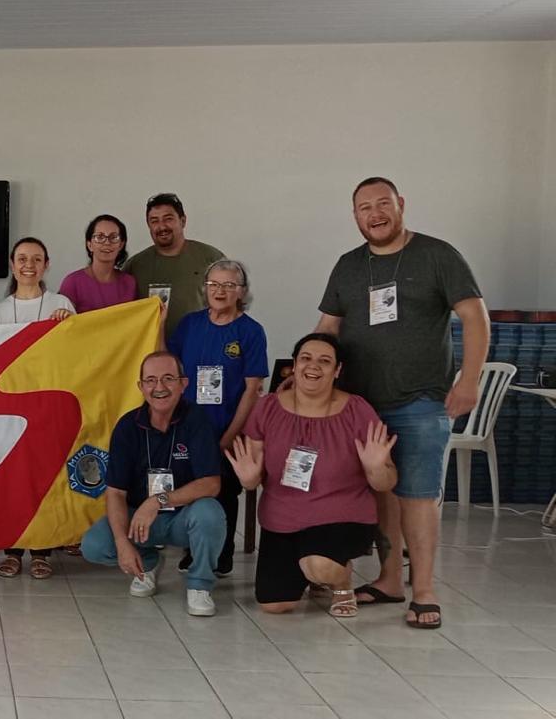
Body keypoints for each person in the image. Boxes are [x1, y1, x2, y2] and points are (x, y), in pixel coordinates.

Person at [313, 177, 489, 630]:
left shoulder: (437, 255)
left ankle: (424, 590)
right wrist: (310, 379)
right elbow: (327, 327)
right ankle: (390, 580)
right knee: (381, 495)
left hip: (421, 401)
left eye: (382, 204)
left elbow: (475, 316)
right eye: (364, 207)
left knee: (418, 496)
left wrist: (469, 380)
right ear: (354, 216)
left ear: (400, 205)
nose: (374, 214)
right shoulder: (348, 266)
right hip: (360, 404)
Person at [228, 333, 397, 617]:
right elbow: (252, 476)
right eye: (305, 359)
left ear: (337, 370)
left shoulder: (357, 410)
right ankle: (313, 571)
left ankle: (340, 580)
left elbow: (387, 482)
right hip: (283, 519)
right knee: (274, 605)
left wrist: (377, 468)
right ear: (294, 365)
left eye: (324, 361)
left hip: (342, 516)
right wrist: (247, 480)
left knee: (319, 565)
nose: (313, 366)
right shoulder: (268, 407)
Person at [80, 351, 225, 616]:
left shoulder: (197, 420)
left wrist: (158, 501)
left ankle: (200, 585)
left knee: (210, 513)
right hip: (140, 522)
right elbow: (115, 492)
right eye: (151, 380)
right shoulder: (127, 426)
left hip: (183, 516)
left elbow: (211, 484)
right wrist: (123, 542)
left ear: (183, 384)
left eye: (168, 379)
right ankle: (146, 564)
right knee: (95, 545)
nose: (159, 388)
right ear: (141, 387)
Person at [0, 237, 74, 579]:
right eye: (22, 258)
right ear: (12, 263)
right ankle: (12, 550)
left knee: (43, 479)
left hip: (48, 404)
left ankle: (42, 551)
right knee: (13, 480)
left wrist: (67, 324)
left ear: (47, 264)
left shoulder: (61, 303)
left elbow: (74, 353)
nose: (28, 265)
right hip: (12, 406)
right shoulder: (1, 310)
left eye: (36, 259)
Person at [167, 259, 268, 575]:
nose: (220, 291)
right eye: (214, 284)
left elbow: (253, 389)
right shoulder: (190, 324)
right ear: (205, 288)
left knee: (224, 490)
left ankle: (221, 553)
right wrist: (155, 325)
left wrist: (228, 436)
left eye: (228, 285)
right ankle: (193, 549)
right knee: (189, 486)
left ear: (241, 292)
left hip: (228, 427)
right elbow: (169, 365)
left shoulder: (250, 332)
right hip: (187, 427)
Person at [125, 193, 225, 337]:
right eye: (154, 221)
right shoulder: (135, 266)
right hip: (153, 352)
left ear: (183, 221)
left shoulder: (211, 259)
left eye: (168, 219)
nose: (161, 227)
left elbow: (231, 306)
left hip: (201, 348)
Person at [58, 214, 137, 313]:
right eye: (100, 237)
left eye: (113, 237)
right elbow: (64, 323)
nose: (107, 243)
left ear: (121, 245)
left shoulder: (129, 283)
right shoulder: (72, 283)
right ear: (89, 244)